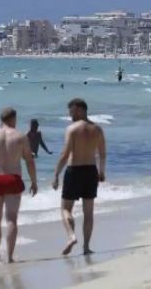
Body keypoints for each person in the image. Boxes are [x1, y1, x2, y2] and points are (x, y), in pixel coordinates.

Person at [0, 107, 38, 263]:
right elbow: (29, 161)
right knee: (11, 219)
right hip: (12, 179)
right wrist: (34, 181)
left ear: (0, 119)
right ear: (13, 119)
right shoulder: (20, 136)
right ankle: (10, 257)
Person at [52, 99, 105, 256]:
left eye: (72, 111)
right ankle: (86, 247)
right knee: (88, 212)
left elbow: (65, 153)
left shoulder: (72, 129)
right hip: (90, 171)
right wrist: (102, 172)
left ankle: (71, 236)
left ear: (81, 110)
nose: (70, 115)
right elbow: (102, 153)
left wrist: (56, 174)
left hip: (74, 170)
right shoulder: (98, 129)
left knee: (65, 208)